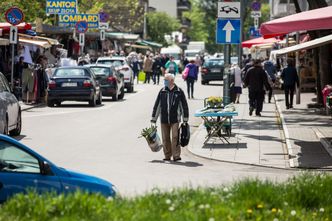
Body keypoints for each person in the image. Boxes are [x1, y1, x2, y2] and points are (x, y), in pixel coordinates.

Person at [151, 73, 189, 161]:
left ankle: (176, 155)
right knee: (165, 138)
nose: (164, 81)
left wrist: (185, 119)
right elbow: (157, 105)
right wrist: (154, 119)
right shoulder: (162, 91)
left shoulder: (179, 91)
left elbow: (184, 106)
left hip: (175, 119)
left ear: (171, 81)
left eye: (166, 80)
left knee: (175, 137)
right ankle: (167, 155)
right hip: (164, 119)